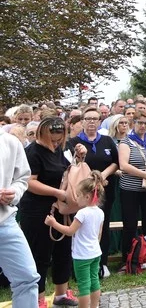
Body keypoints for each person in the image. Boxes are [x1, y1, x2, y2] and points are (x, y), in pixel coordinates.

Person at [19, 118, 79, 307]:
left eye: (58, 140)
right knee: (40, 255)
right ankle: (39, 298)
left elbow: (67, 170)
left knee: (62, 250)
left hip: (60, 209)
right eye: (52, 140)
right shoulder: (32, 152)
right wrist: (57, 192)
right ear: (42, 135)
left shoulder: (58, 150)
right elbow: (30, 182)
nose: (55, 143)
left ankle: (61, 295)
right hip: (37, 210)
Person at [67, 107, 119, 278]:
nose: (91, 122)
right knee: (80, 227)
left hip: (104, 192)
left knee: (100, 228)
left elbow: (116, 162)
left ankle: (101, 264)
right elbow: (70, 166)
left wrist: (103, 175)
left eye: (95, 119)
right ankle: (78, 267)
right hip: (81, 194)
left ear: (99, 122)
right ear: (81, 122)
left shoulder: (107, 141)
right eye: (88, 118)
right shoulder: (73, 142)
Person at [45, 172, 106, 308]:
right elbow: (99, 234)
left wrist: (53, 223)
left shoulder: (82, 213)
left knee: (84, 285)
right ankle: (94, 306)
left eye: (78, 196)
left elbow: (69, 231)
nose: (76, 199)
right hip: (95, 252)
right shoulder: (100, 212)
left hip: (82, 255)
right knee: (94, 281)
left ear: (87, 196)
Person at [117, 112, 146, 272]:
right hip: (130, 189)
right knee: (130, 225)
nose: (142, 126)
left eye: (145, 123)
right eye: (139, 122)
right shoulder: (126, 141)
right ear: (133, 123)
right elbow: (123, 165)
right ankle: (127, 260)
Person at [0, 128, 40, 308]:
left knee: (27, 278)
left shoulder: (9, 141)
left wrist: (13, 193)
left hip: (5, 221)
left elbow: (22, 178)